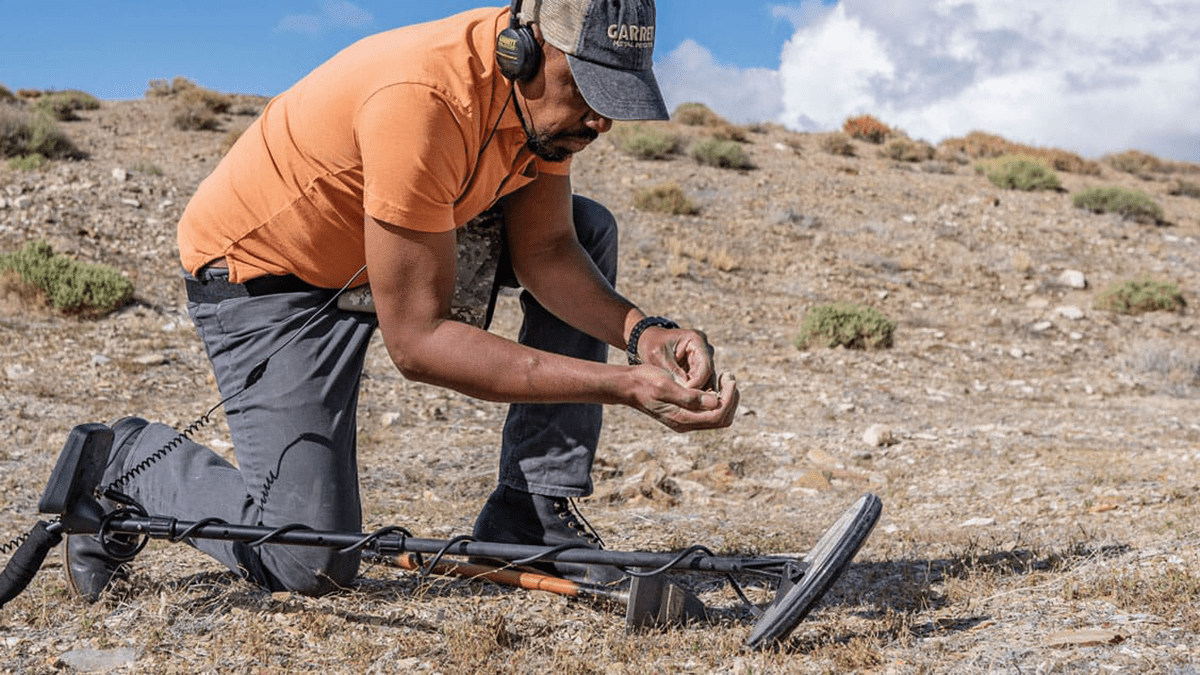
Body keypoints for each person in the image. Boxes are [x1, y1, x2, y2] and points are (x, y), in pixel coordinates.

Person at [63, 0, 739, 601]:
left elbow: (551, 251)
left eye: (614, 97)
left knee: (589, 229)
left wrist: (642, 331)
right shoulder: (424, 100)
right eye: (588, 89)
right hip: (265, 274)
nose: (600, 120)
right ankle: (122, 462)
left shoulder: (543, 114)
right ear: (524, 49)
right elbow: (417, 343)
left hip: (372, 247)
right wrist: (623, 386)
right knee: (309, 561)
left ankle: (532, 508)